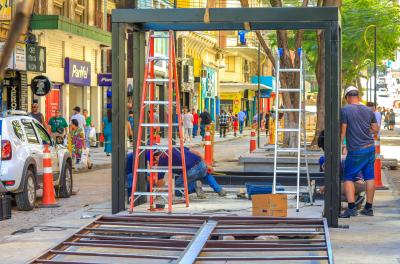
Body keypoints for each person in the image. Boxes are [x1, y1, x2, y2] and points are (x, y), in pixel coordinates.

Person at [340, 86, 379, 217]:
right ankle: (368, 208)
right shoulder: (368, 110)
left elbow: (343, 131)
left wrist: (340, 145)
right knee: (369, 177)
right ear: (358, 97)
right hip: (370, 148)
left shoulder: (345, 110)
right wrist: (365, 132)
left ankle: (351, 208)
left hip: (356, 150)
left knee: (348, 178)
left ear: (347, 97)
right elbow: (375, 129)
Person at [154, 147, 226, 197]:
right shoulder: (176, 148)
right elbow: (197, 153)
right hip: (201, 164)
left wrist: (158, 193)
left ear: (156, 157)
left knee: (178, 189)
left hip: (190, 171)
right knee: (206, 174)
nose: (155, 164)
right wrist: (207, 165)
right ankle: (219, 190)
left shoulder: (161, 160)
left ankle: (194, 186)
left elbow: (160, 181)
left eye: (154, 162)